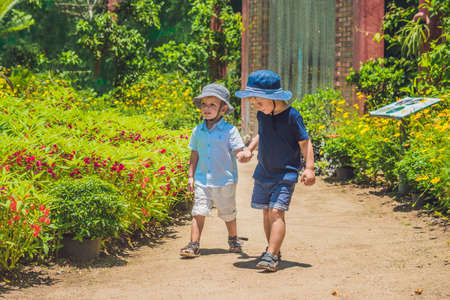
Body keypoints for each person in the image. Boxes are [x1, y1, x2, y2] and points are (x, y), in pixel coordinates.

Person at [235, 70, 315, 271]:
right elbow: (261, 135)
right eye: (254, 103)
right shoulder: (263, 115)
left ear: (274, 99)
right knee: (266, 213)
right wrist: (249, 150)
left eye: (259, 102)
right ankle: (274, 250)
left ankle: (270, 254)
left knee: (277, 212)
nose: (256, 107)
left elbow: (304, 142)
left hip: (285, 173)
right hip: (264, 172)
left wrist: (309, 168)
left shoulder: (292, 116)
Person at [180, 83, 247, 257]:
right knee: (198, 211)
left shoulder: (230, 131)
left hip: (224, 180)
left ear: (223, 109)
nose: (207, 108)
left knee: (228, 212)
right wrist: (190, 176)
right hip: (202, 180)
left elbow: (238, 150)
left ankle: (233, 239)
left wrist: (242, 155)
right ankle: (194, 244)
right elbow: (194, 154)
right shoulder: (198, 130)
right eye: (204, 104)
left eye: (212, 105)